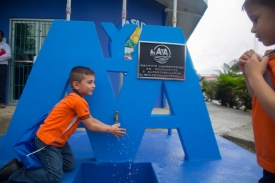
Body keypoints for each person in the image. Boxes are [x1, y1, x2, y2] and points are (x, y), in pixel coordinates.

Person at [0, 66, 126, 182]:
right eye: (89, 82)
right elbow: (91, 126)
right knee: (54, 176)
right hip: (47, 142)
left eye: (94, 82)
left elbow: (92, 119)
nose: (94, 85)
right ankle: (15, 174)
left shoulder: (76, 99)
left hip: (59, 142)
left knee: (69, 166)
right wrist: (110, 130)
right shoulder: (77, 102)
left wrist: (109, 127)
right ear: (76, 84)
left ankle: (44, 163)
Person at [238, 1, 275, 182]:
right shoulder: (269, 58)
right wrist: (248, 74)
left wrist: (256, 77)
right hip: (270, 163)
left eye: (256, 19)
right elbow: (261, 101)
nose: (253, 29)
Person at [0, 30, 11, 108]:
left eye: (0, 35)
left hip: (2, 67)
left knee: (1, 85)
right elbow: (5, 56)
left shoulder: (5, 45)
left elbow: (8, 56)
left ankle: (1, 102)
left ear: (2, 36)